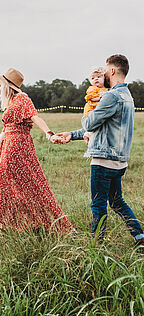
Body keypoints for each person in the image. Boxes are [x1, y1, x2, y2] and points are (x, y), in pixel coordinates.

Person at [55, 55, 144, 245]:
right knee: (117, 202)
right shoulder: (127, 96)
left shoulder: (111, 96)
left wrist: (86, 110)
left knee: (98, 205)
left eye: (105, 70)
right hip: (119, 161)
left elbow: (90, 122)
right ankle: (140, 237)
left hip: (103, 161)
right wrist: (73, 135)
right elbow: (102, 127)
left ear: (112, 71)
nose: (102, 73)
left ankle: (97, 245)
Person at [0, 67, 74, 232]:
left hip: (18, 147)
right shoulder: (11, 103)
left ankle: (36, 222)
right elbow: (4, 131)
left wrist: (49, 134)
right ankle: (12, 224)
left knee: (30, 184)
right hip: (8, 147)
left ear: (8, 86)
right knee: (8, 186)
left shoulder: (22, 98)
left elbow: (35, 117)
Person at [83, 67, 107, 144]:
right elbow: (90, 98)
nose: (96, 79)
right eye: (93, 78)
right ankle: (88, 133)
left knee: (97, 123)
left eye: (99, 77)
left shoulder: (104, 89)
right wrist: (99, 98)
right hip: (91, 107)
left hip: (97, 107)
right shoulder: (92, 88)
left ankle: (89, 134)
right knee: (92, 119)